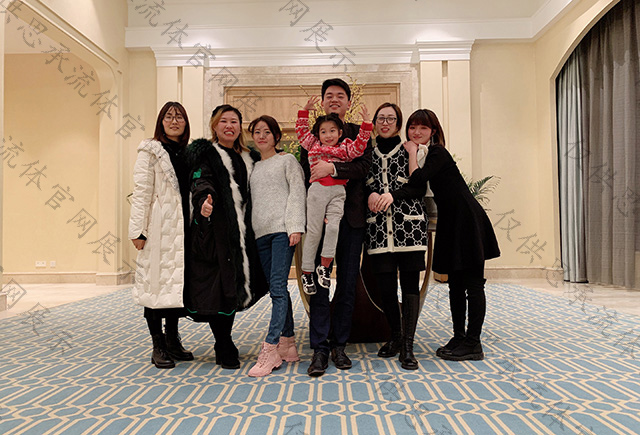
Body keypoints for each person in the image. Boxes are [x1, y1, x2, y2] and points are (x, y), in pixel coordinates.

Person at [375, 109, 500, 361]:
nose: (416, 132)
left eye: (423, 127)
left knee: (473, 285)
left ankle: (473, 343)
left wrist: (411, 153)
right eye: (412, 127)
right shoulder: (426, 154)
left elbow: (417, 180)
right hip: (451, 221)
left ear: (433, 131)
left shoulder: (437, 152)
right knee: (455, 285)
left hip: (467, 219)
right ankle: (459, 337)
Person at [299, 78, 374, 377]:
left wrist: (333, 168)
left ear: (348, 102)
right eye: (329, 95)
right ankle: (319, 347)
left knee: (346, 283)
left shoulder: (358, 133)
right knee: (320, 284)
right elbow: (307, 170)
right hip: (320, 218)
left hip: (351, 218)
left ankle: (339, 345)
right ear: (322, 101)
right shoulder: (315, 135)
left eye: (340, 95)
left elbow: (364, 168)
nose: (334, 99)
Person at [185, 104, 268, 370]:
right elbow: (201, 181)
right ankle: (223, 342)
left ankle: (225, 340)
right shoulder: (206, 154)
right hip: (217, 232)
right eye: (224, 121)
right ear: (214, 125)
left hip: (246, 233)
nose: (229, 126)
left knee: (237, 286)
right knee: (219, 289)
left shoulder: (250, 157)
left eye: (234, 121)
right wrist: (203, 202)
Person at [128, 101, 194, 369]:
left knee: (175, 285)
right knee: (155, 285)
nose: (174, 121)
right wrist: (138, 231)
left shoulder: (188, 152)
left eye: (179, 117)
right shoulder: (150, 151)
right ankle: (158, 345)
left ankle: (172, 339)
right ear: (161, 122)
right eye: (169, 117)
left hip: (183, 227)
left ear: (186, 123)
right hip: (158, 227)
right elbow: (141, 192)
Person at [366, 103, 430, 370]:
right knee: (386, 288)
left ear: (398, 123)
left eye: (391, 118)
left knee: (410, 286)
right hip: (379, 230)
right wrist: (369, 194)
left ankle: (408, 345)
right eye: (381, 118)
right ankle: (395, 336)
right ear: (374, 122)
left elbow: (418, 186)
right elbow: (358, 184)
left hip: (409, 229)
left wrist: (392, 195)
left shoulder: (412, 150)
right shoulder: (367, 153)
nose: (385, 123)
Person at [247, 115, 306, 377]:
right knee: (276, 288)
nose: (261, 136)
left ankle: (270, 347)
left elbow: (297, 192)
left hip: (282, 231)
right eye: (257, 132)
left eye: (267, 132)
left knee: (278, 289)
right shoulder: (253, 167)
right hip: (261, 234)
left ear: (276, 137)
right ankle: (289, 344)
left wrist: (295, 226)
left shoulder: (287, 160)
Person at [296, 96, 372, 296]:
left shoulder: (345, 148)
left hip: (338, 194)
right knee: (314, 233)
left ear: (340, 133)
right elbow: (301, 132)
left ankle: (325, 266)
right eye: (323, 131)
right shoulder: (313, 145)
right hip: (317, 192)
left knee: (333, 229)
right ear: (318, 134)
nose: (328, 135)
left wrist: (366, 124)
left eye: (332, 131)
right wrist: (305, 111)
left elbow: (359, 147)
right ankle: (307, 272)